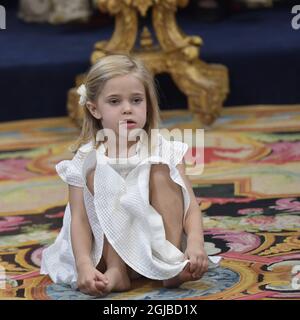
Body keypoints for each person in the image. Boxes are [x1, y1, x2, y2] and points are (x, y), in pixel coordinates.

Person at [40, 54, 219, 297]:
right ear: (94, 108)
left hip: (156, 240)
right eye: (114, 102)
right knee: (97, 172)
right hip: (104, 249)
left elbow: (190, 206)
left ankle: (170, 263)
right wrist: (83, 264)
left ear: (148, 103)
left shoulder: (164, 148)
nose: (127, 109)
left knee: (160, 171)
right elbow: (79, 220)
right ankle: (117, 270)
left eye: (136, 100)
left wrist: (196, 243)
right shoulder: (85, 159)